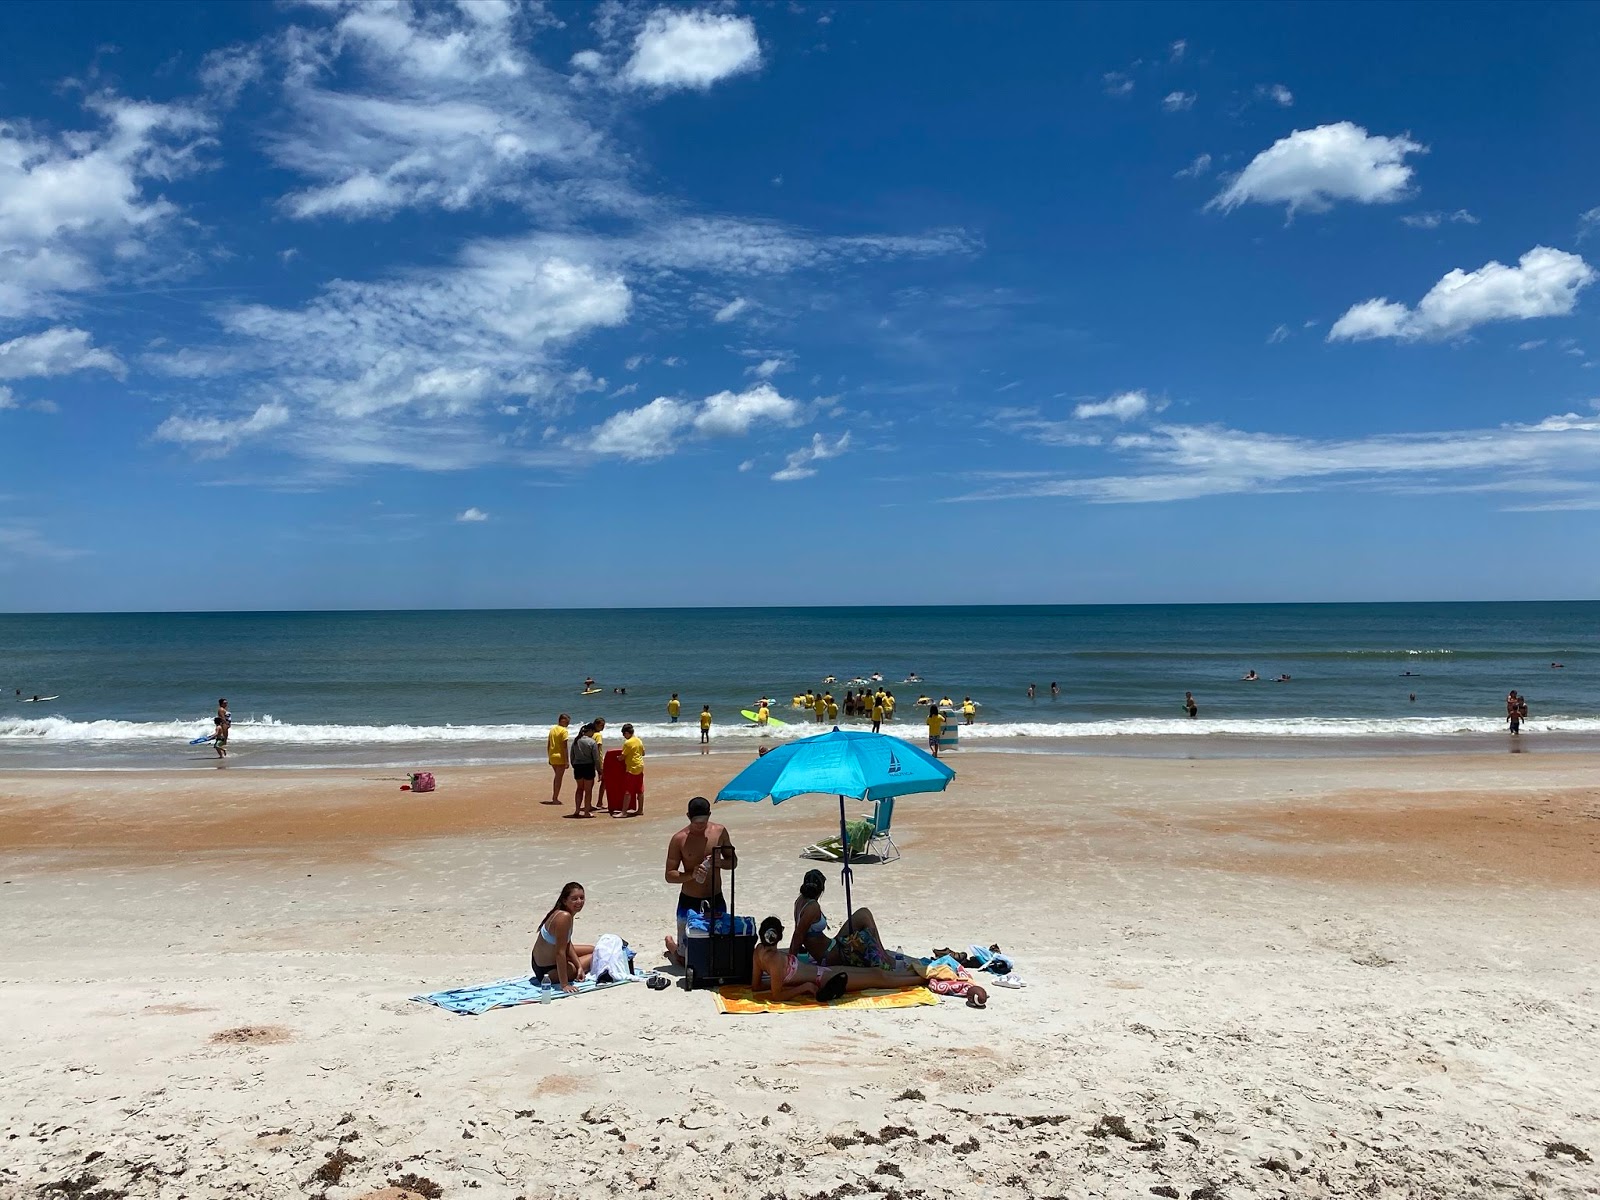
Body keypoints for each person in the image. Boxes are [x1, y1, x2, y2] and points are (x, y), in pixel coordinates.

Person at [750, 917, 922, 1002]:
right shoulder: (775, 961)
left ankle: (915, 975)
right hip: (823, 980)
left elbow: (756, 986)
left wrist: (778, 981)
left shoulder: (758, 952)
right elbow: (777, 995)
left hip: (823, 974)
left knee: (877, 973)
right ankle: (922, 979)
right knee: (878, 977)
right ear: (778, 937)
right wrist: (804, 987)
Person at [664, 797, 736, 965]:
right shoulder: (679, 839)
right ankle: (670, 944)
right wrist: (692, 874)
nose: (700, 826)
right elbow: (669, 875)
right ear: (688, 816)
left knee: (718, 953)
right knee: (685, 960)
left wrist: (721, 863)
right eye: (696, 822)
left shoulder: (719, 832)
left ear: (709, 815)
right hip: (689, 901)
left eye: (704, 821)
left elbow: (733, 861)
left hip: (715, 898)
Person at [791, 869, 893, 968]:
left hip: (830, 947)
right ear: (821, 890)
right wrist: (791, 962)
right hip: (830, 954)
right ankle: (883, 957)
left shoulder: (800, 901)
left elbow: (799, 933)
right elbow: (798, 936)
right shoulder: (813, 907)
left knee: (864, 913)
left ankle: (883, 954)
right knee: (865, 921)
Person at [532, 882, 594, 994]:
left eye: (582, 897)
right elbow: (560, 953)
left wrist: (579, 966)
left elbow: (567, 943)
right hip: (547, 971)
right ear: (565, 901)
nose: (579, 901)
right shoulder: (564, 917)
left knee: (593, 949)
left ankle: (576, 965)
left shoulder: (564, 913)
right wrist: (564, 985)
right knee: (594, 956)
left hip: (540, 962)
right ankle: (566, 974)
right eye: (574, 899)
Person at [567, 722, 600, 817]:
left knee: (579, 789)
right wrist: (599, 770)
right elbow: (596, 758)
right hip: (588, 766)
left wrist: (574, 765)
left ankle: (577, 810)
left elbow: (572, 756)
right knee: (588, 790)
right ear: (590, 731)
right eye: (593, 731)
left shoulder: (576, 740)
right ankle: (586, 812)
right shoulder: (592, 742)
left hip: (578, 767)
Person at [545, 713, 571, 805]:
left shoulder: (552, 730)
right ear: (562, 720)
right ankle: (555, 798)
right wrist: (567, 760)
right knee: (558, 778)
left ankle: (555, 797)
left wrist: (549, 756)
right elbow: (565, 747)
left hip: (552, 756)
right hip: (560, 757)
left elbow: (548, 745)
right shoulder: (563, 731)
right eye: (567, 722)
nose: (568, 724)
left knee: (557, 777)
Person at [620, 723, 645, 815]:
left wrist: (618, 758)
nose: (624, 736)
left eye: (624, 734)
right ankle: (640, 810)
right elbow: (643, 753)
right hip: (640, 766)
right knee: (640, 790)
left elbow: (622, 757)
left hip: (632, 767)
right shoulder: (639, 740)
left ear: (627, 733)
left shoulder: (628, 742)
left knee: (628, 790)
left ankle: (623, 812)